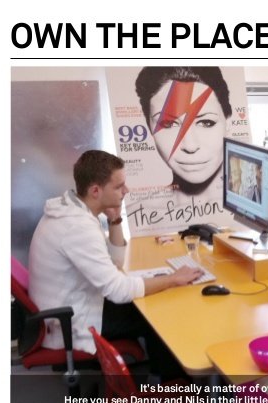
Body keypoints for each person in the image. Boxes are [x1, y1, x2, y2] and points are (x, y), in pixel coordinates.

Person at [28, 150, 202, 378]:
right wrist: (173, 279)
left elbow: (115, 263)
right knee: (159, 314)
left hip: (75, 305)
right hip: (71, 323)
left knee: (153, 299)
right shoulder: (77, 227)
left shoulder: (71, 210)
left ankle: (165, 379)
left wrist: (115, 219)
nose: (126, 191)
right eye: (119, 186)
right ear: (96, 191)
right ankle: (172, 386)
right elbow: (118, 291)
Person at [135, 66, 232, 197]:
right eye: (169, 124)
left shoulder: (254, 200)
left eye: (206, 122)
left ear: (228, 123)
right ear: (149, 127)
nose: (190, 146)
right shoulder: (141, 208)